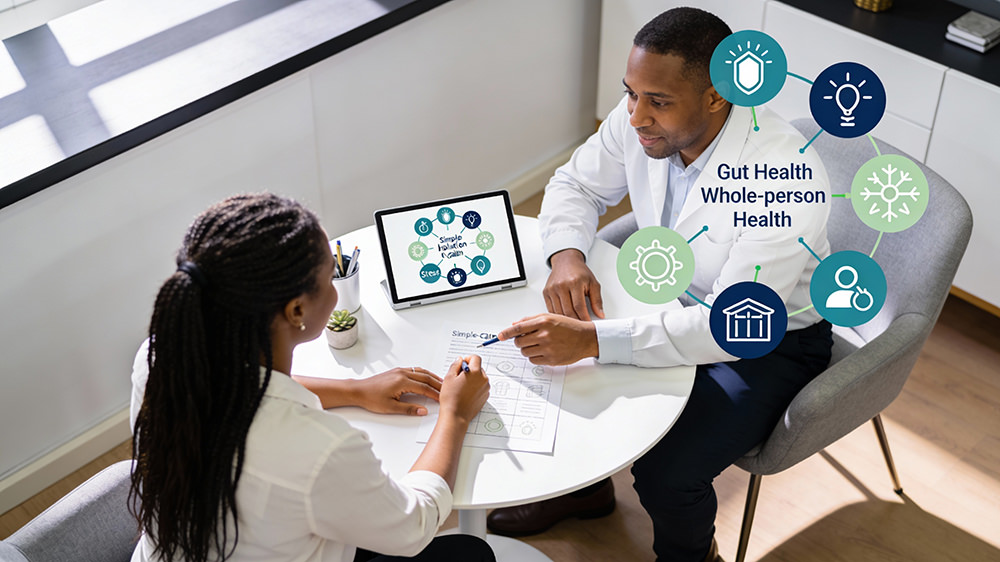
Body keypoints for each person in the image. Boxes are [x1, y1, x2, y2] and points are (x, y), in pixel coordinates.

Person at [485, 8, 834, 562]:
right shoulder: (641, 120)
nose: (636, 116)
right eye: (631, 93)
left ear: (718, 97)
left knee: (665, 473)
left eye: (659, 102)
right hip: (664, 295)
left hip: (767, 343)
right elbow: (575, 182)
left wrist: (597, 341)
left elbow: (732, 326)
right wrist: (567, 255)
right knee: (564, 383)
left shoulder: (782, 176)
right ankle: (588, 490)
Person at [128, 193, 495, 562]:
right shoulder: (318, 449)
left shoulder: (163, 356)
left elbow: (241, 387)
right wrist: (455, 415)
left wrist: (355, 390)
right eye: (330, 279)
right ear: (297, 309)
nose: (336, 289)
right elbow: (411, 526)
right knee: (470, 553)